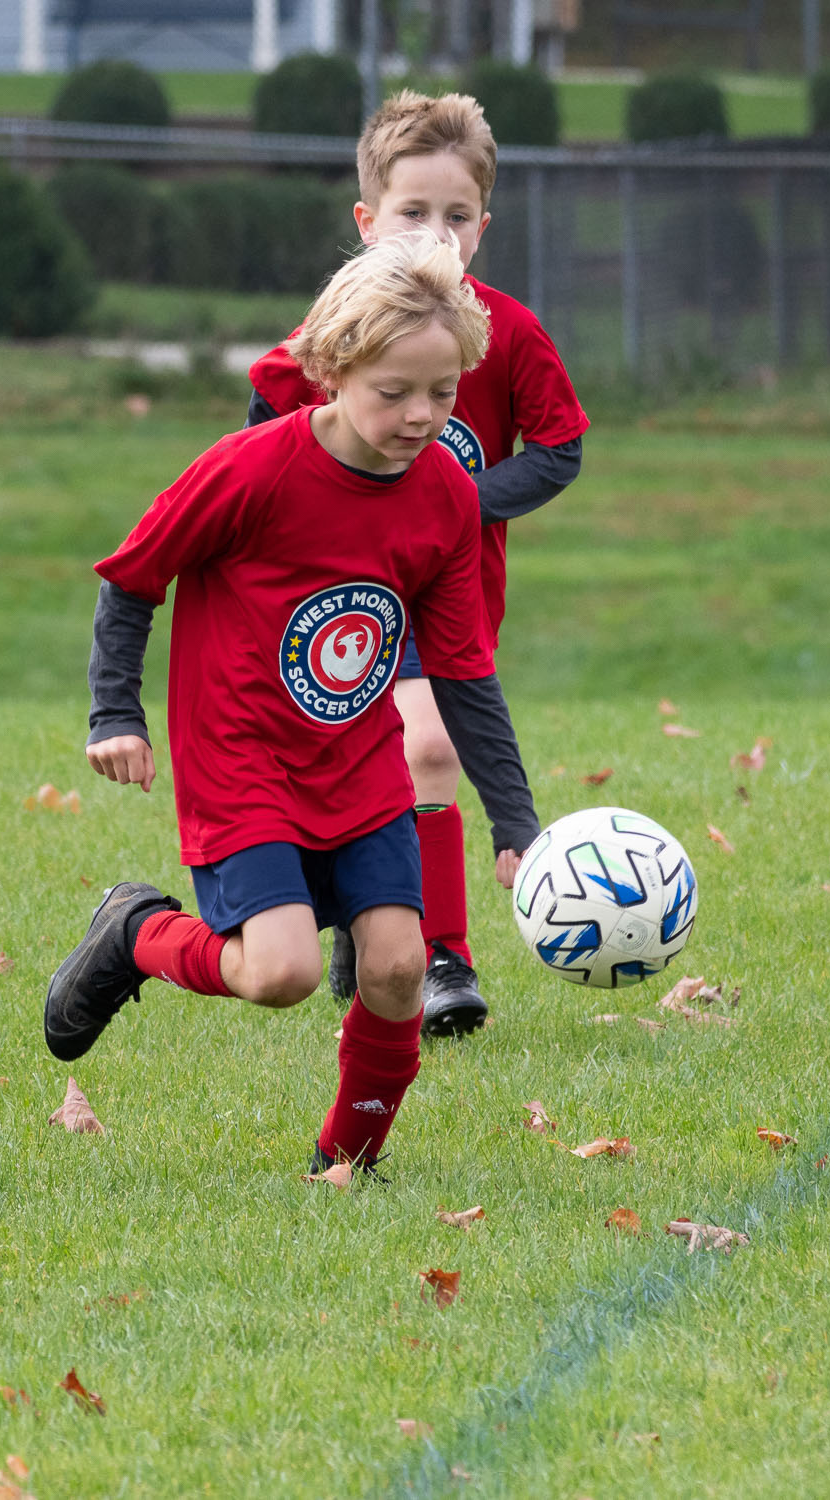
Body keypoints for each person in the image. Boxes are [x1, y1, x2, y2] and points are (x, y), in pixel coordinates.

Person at [46, 231, 542, 1175]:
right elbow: (134, 579)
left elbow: (464, 668)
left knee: (399, 966)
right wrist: (116, 713)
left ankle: (343, 1168)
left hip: (358, 760)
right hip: (242, 754)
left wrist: (513, 819)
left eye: (442, 393)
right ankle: (135, 932)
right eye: (393, 392)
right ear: (331, 368)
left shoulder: (445, 494)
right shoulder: (250, 470)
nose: (420, 416)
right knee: (281, 974)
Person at [246, 90, 589, 1037]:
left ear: (484, 224)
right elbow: (264, 425)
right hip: (336, 606)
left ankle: (443, 955)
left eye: (457, 216)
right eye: (411, 213)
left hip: (451, 596)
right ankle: (378, 925)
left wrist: (450, 506)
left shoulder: (509, 333)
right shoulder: (338, 328)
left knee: (430, 746)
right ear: (367, 222)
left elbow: (560, 449)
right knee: (369, 764)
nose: (435, 233)